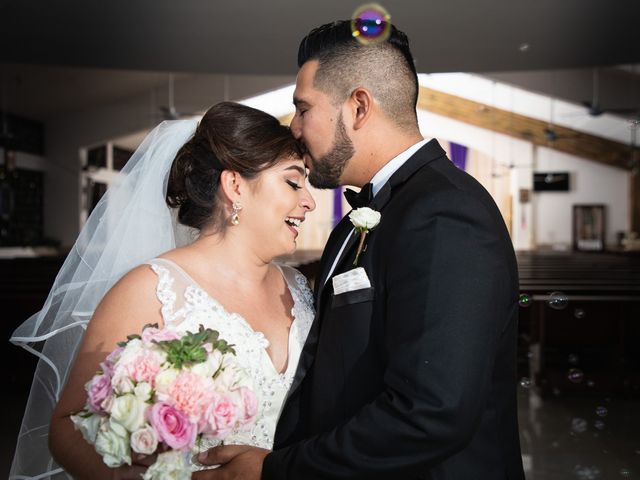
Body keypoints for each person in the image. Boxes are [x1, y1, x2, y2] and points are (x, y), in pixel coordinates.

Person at [196, 20, 526, 480]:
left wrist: (278, 471)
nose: (294, 128)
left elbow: (430, 412)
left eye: (303, 108)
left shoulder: (446, 214)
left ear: (358, 107)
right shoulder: (368, 215)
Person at [9, 102, 316, 479]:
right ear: (235, 185)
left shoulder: (299, 288)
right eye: (293, 181)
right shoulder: (151, 289)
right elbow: (68, 425)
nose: (309, 202)